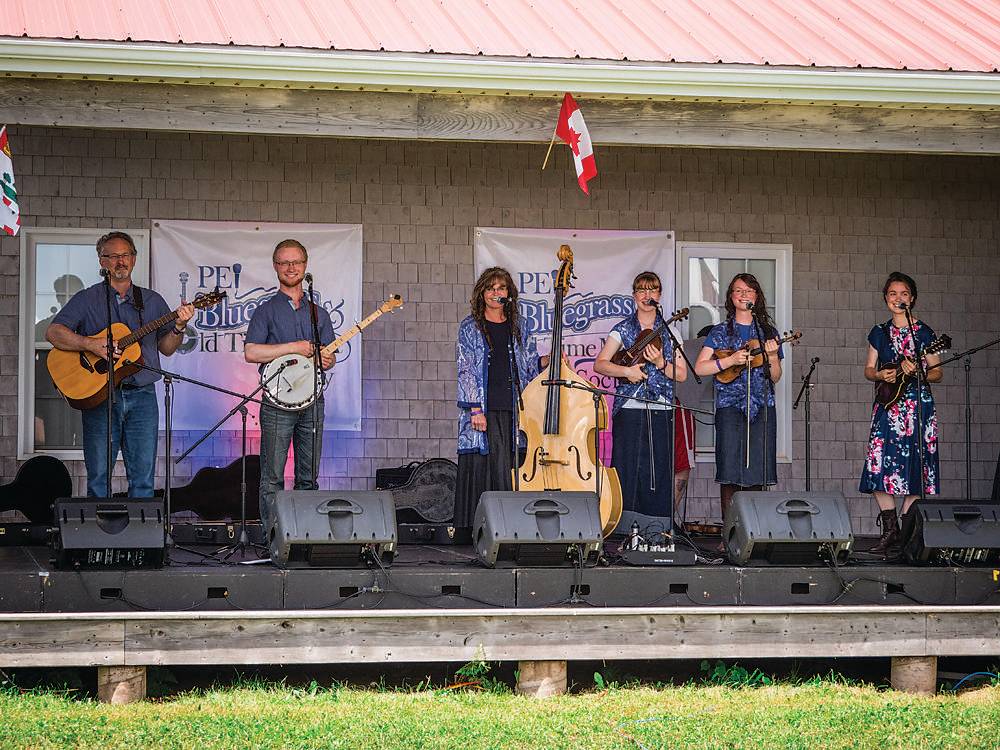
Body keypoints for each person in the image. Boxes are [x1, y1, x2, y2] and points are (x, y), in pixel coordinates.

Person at [45, 231, 195, 497]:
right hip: (100, 397)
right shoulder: (87, 299)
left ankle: (140, 538)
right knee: (99, 478)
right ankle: (98, 537)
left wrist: (180, 326)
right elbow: (54, 333)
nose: (120, 262)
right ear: (102, 262)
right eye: (112, 256)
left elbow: (167, 349)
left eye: (125, 255)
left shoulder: (152, 301)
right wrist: (91, 345)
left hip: (143, 398)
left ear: (134, 259)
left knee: (143, 479)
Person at [245, 239, 336, 529]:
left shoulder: (318, 313)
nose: (290, 267)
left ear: (305, 266)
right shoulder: (266, 310)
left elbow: (328, 356)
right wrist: (294, 346)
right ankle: (273, 536)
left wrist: (328, 360)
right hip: (276, 403)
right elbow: (252, 352)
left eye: (296, 262)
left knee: (308, 476)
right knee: (272, 476)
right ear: (275, 267)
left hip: (312, 400)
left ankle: (305, 534)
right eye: (284, 262)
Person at [594, 272, 687, 533]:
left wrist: (660, 363)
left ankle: (657, 528)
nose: (647, 295)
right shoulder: (622, 329)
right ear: (634, 296)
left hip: (661, 407)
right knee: (628, 467)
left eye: (653, 290)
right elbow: (600, 364)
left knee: (658, 469)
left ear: (659, 295)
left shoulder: (671, 333)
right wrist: (627, 372)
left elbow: (682, 374)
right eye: (642, 290)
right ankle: (623, 528)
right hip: (630, 408)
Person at [455, 267, 544, 529]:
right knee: (485, 463)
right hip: (483, 407)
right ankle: (479, 528)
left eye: (501, 288)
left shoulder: (519, 326)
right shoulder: (470, 327)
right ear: (482, 293)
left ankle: (510, 526)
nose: (496, 293)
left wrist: (545, 361)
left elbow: (527, 364)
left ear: (509, 293)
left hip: (514, 408)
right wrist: (474, 409)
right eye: (491, 288)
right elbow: (465, 367)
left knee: (509, 463)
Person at [860, 271, 942, 553]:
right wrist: (881, 373)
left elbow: (937, 372)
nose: (898, 298)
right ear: (886, 299)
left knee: (916, 469)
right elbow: (869, 370)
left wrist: (919, 371)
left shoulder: (925, 333)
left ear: (913, 298)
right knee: (878, 466)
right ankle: (891, 530)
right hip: (887, 406)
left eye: (904, 294)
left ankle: (905, 531)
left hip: (917, 407)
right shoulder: (879, 332)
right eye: (893, 294)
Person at [694, 273, 783, 523]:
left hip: (762, 405)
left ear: (757, 297)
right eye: (738, 291)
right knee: (730, 470)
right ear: (731, 298)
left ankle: (756, 530)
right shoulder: (721, 331)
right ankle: (730, 532)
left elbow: (775, 377)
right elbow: (700, 368)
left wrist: (773, 357)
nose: (744, 295)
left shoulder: (767, 332)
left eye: (749, 291)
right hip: (730, 408)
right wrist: (730, 361)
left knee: (758, 469)